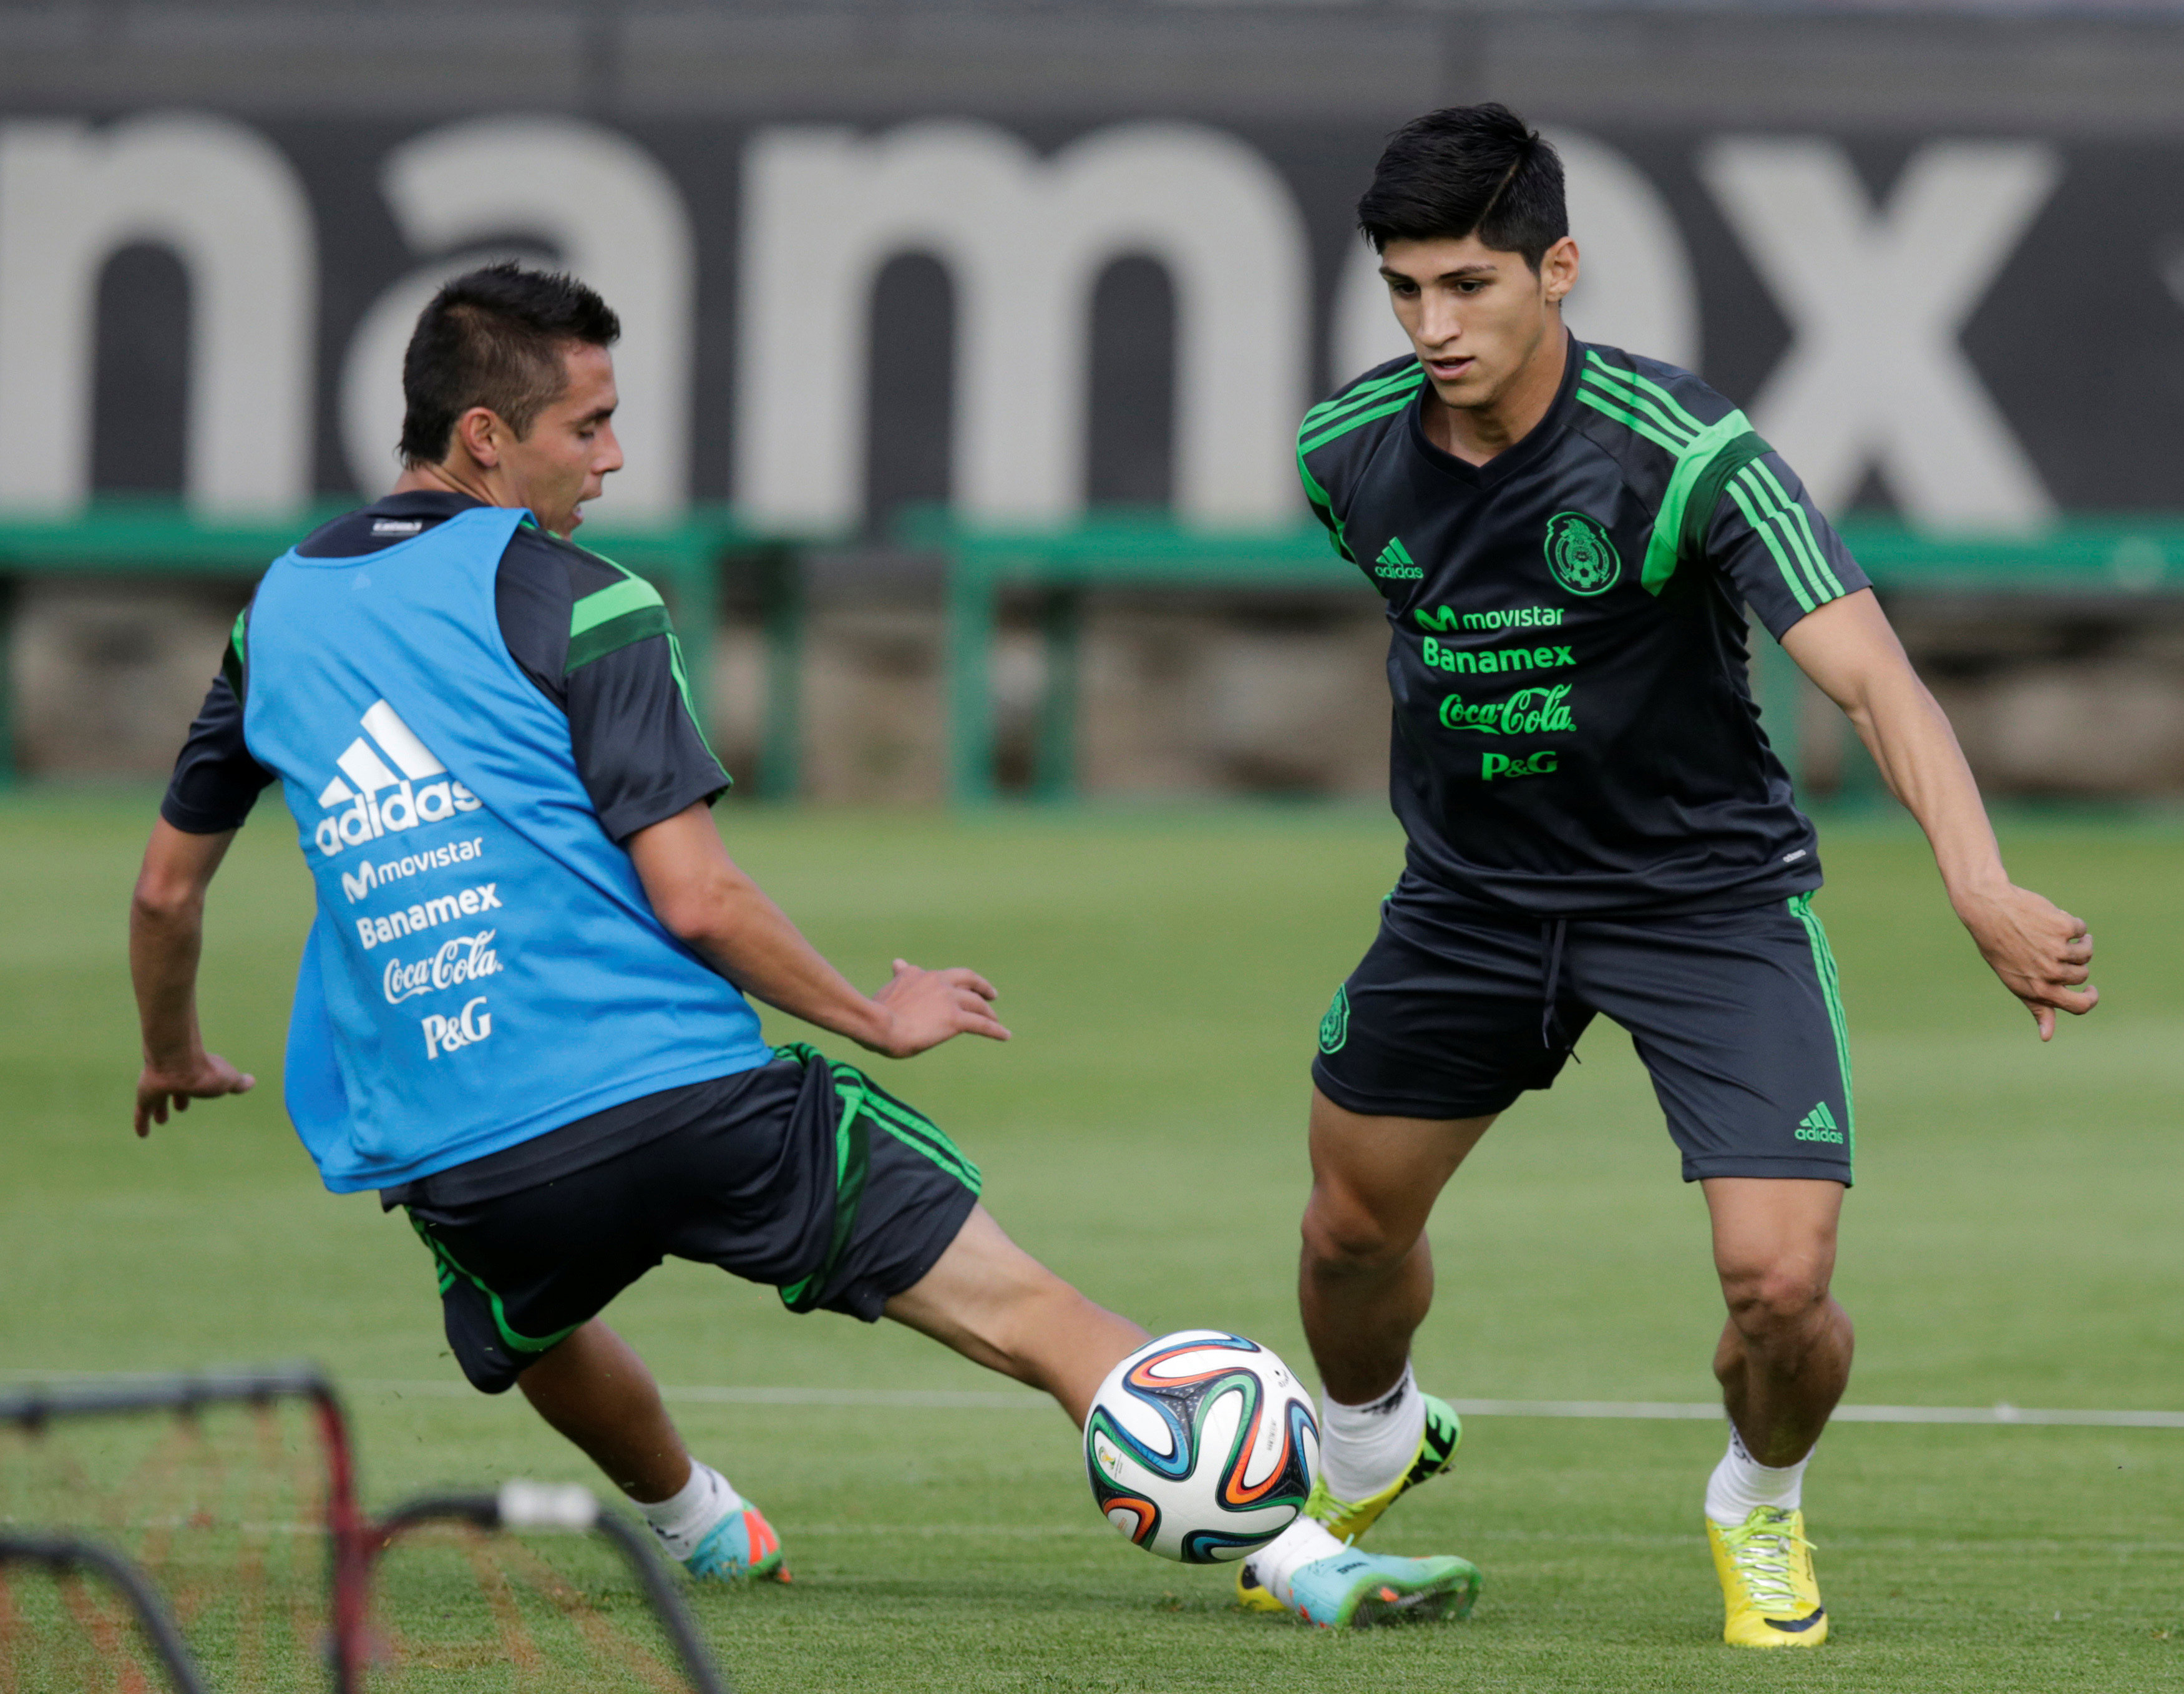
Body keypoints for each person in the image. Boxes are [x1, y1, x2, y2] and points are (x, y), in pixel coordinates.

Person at [127, 260, 1470, 1625]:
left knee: (524, 1329)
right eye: (585, 425)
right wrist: (870, 1014)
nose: (614, 455)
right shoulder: (584, 601)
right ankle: (1309, 1558)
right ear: (485, 436)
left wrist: (173, 1049)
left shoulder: (270, 617)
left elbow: (168, 895)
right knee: (1025, 1309)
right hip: (692, 1102)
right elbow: (697, 899)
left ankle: (700, 1523)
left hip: (472, 1158)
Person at [1234, 107, 2099, 1646]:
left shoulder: (1686, 455)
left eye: (1471, 286)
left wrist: (1977, 882)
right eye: (1404, 290)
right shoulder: (1340, 454)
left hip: (1704, 906)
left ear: (1557, 270)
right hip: (1468, 905)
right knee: (1345, 1235)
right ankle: (1371, 1442)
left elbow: (1880, 683)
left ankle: (1757, 1504)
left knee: (1780, 1283)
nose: (1434, 326)